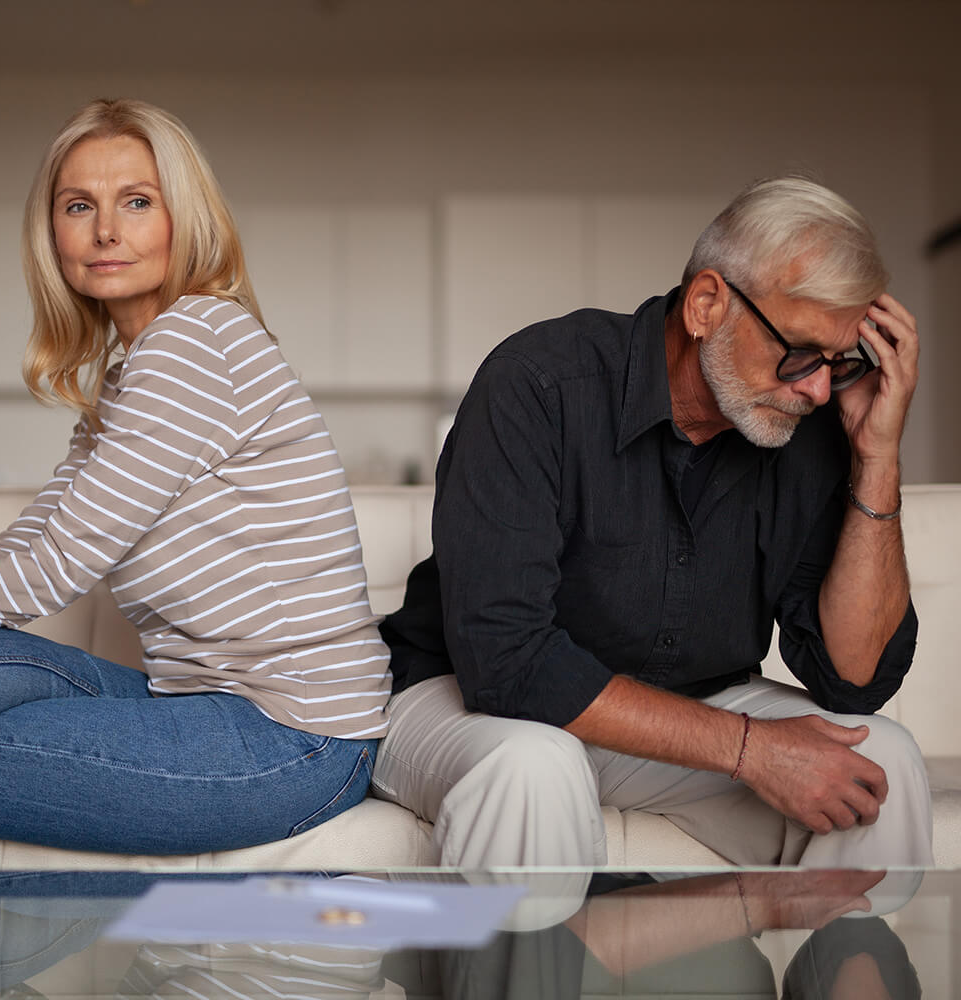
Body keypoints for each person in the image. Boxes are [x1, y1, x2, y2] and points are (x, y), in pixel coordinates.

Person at [373, 176, 933, 870]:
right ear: (706, 305)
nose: (818, 389)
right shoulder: (539, 384)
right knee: (533, 768)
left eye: (839, 363)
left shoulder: (807, 428)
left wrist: (877, 455)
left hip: (688, 712)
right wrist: (749, 749)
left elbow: (857, 680)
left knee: (887, 763)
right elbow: (507, 665)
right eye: (800, 353)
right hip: (470, 705)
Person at [0, 98, 391, 854]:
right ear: (51, 231)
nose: (105, 230)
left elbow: (67, 555)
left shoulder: (193, 339)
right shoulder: (129, 379)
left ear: (180, 219)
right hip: (192, 706)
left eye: (136, 202)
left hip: (293, 737)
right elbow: (46, 527)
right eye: (77, 206)